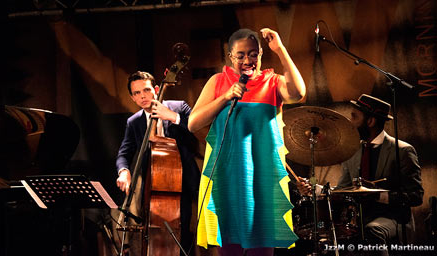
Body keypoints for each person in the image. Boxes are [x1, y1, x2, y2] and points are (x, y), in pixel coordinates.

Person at [188, 28, 306, 256]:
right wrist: (225, 97)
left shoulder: (273, 82)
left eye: (253, 54)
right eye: (240, 55)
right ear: (230, 56)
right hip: (227, 178)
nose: (247, 60)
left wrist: (280, 50)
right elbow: (193, 123)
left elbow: (298, 92)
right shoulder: (218, 81)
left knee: (262, 249)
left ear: (261, 53)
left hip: (263, 179)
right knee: (230, 248)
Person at [297, 94, 423, 255]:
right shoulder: (354, 151)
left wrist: (377, 195)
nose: (350, 122)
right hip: (359, 219)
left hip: (394, 219)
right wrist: (313, 188)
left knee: (372, 230)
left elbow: (416, 196)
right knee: (327, 234)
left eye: (354, 117)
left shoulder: (403, 151)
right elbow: (343, 190)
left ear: (370, 121)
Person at [116, 71, 201, 255]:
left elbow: (200, 130)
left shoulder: (178, 107)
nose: (142, 96)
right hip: (155, 188)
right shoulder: (134, 122)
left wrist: (173, 117)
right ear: (132, 97)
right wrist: (123, 171)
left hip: (185, 183)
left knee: (186, 233)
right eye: (136, 93)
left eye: (146, 90)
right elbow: (124, 153)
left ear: (156, 89)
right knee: (154, 234)